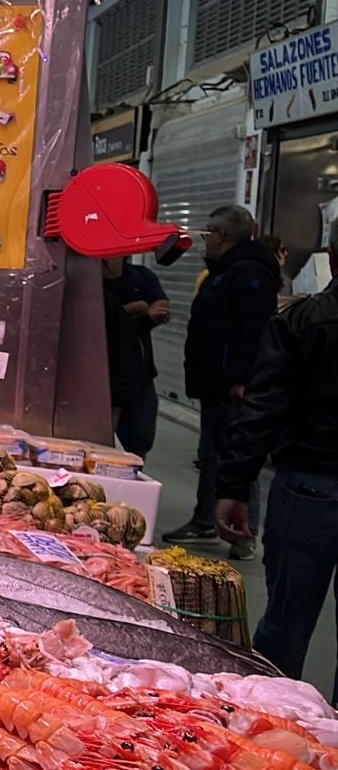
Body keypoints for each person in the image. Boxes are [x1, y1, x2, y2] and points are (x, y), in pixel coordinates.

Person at [216, 218, 338, 691]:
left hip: (309, 488)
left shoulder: (302, 322)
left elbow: (261, 411)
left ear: (330, 252)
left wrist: (232, 487)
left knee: (286, 621)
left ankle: (277, 727)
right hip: (309, 484)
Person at [163, 204, 278, 559]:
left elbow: (254, 332)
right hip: (215, 384)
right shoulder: (225, 271)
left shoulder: (249, 275)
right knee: (210, 453)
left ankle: (244, 534)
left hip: (233, 387)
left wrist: (241, 379)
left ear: (223, 235)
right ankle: (205, 519)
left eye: (209, 231)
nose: (204, 237)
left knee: (237, 453)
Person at [102, 255, 168, 459]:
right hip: (101, 375)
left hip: (139, 373)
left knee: (138, 442)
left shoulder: (141, 277)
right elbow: (101, 324)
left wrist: (129, 317)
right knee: (101, 444)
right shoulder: (90, 282)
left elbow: (162, 310)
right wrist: (134, 312)